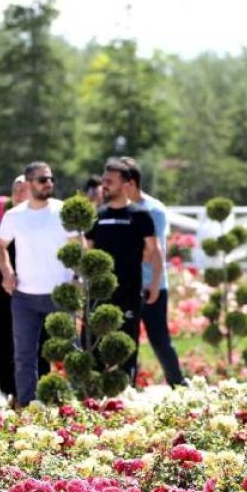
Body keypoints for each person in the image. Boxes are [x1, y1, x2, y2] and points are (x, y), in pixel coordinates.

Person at [0, 162, 77, 406]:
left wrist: (76, 277)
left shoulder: (63, 211)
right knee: (24, 356)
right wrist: (7, 272)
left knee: (69, 352)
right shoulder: (14, 215)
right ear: (29, 184)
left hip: (60, 294)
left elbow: (78, 246)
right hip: (25, 297)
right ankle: (27, 406)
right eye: (42, 179)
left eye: (50, 179)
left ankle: (73, 406)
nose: (48, 183)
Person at [85, 159, 162, 385]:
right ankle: (95, 396)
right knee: (94, 348)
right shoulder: (97, 215)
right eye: (104, 181)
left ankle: (126, 393)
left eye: (110, 181)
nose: (104, 185)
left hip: (129, 292)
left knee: (127, 348)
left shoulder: (140, 215)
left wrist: (155, 282)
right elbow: (87, 252)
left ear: (126, 184)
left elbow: (154, 251)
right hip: (98, 294)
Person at [120, 157, 185, 387]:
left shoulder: (153, 210)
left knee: (159, 339)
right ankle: (126, 387)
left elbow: (151, 251)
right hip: (126, 287)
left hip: (152, 285)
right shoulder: (118, 209)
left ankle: (179, 385)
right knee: (126, 340)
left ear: (131, 183)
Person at [0, 175, 29, 402]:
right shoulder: (5, 223)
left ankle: (27, 396)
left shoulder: (41, 223)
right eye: (16, 189)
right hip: (3, 296)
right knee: (3, 345)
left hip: (32, 296)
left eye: (24, 189)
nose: (19, 194)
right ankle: (10, 393)